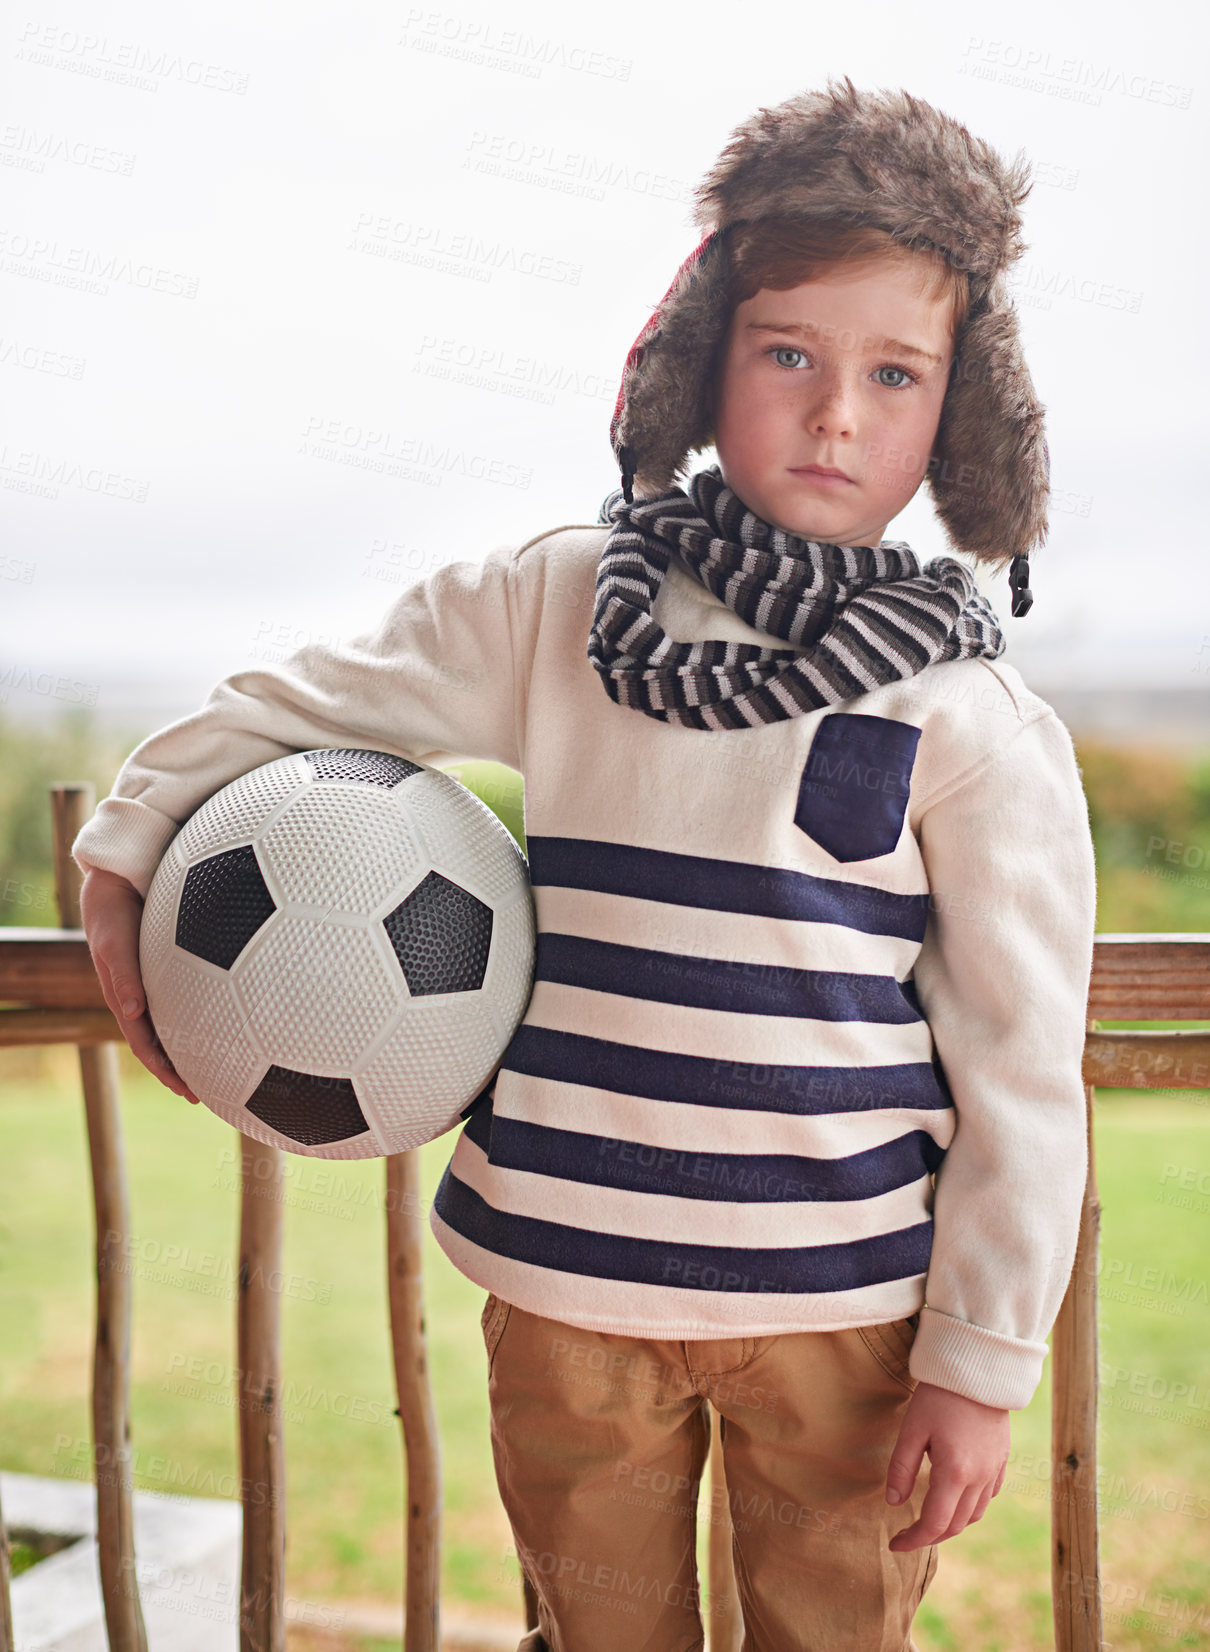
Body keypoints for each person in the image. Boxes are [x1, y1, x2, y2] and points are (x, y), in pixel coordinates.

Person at [74, 77, 1097, 1652]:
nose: (835, 412)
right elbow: (305, 701)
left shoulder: (970, 717)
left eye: (894, 375)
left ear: (957, 419)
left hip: (840, 1322)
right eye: (787, 354)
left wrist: (975, 1359)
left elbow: (1022, 1067)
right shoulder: (560, 610)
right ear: (697, 361)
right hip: (563, 1296)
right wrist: (134, 835)